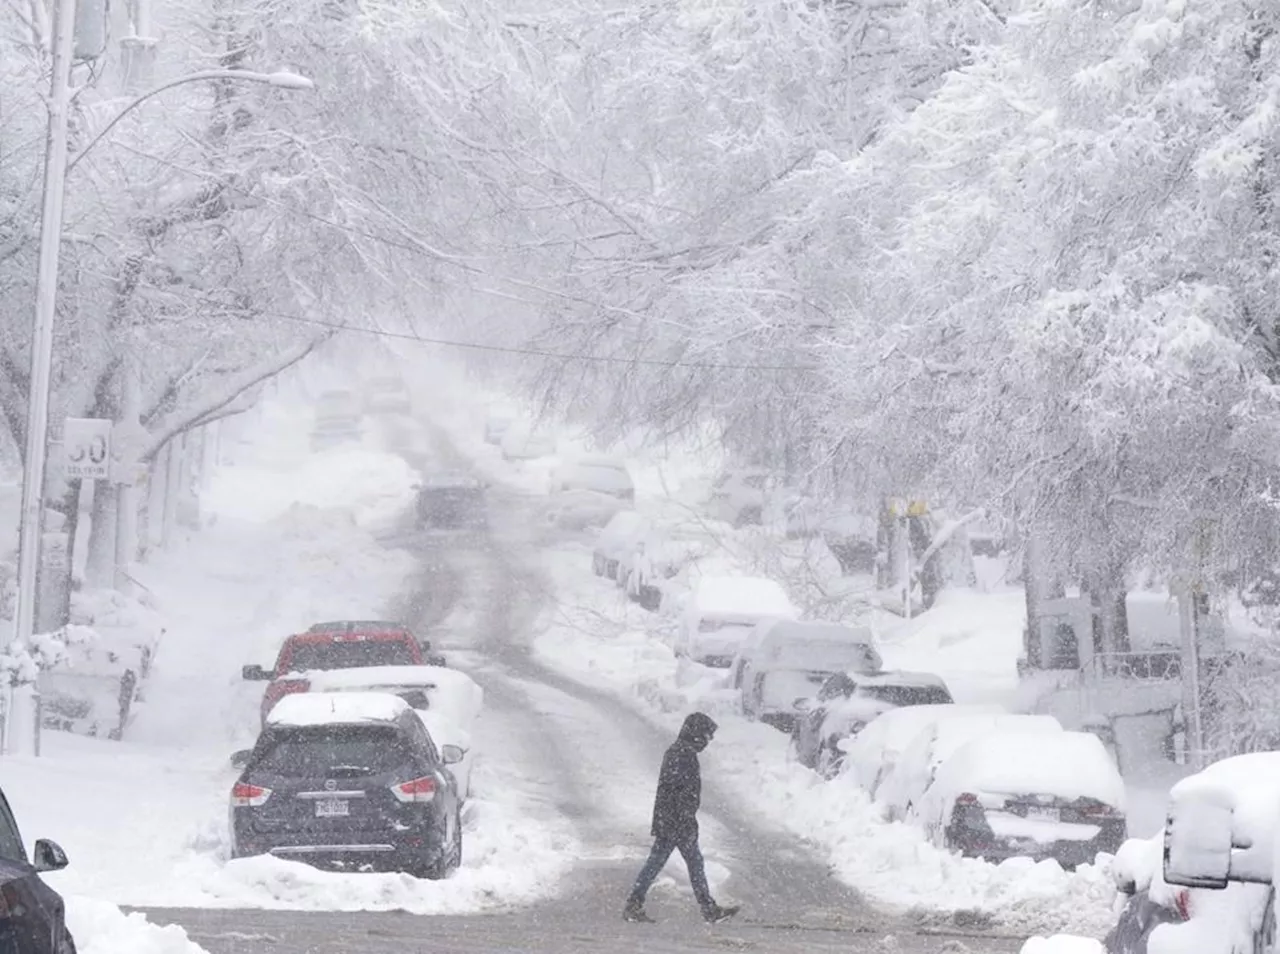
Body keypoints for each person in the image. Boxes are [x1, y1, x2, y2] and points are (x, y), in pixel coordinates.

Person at [623, 712, 739, 924]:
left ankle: (636, 903)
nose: (707, 741)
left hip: (672, 820)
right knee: (683, 863)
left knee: (670, 863)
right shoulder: (682, 754)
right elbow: (680, 792)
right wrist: (684, 819)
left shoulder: (680, 752)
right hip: (676, 822)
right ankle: (706, 908)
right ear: (696, 733)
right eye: (706, 735)